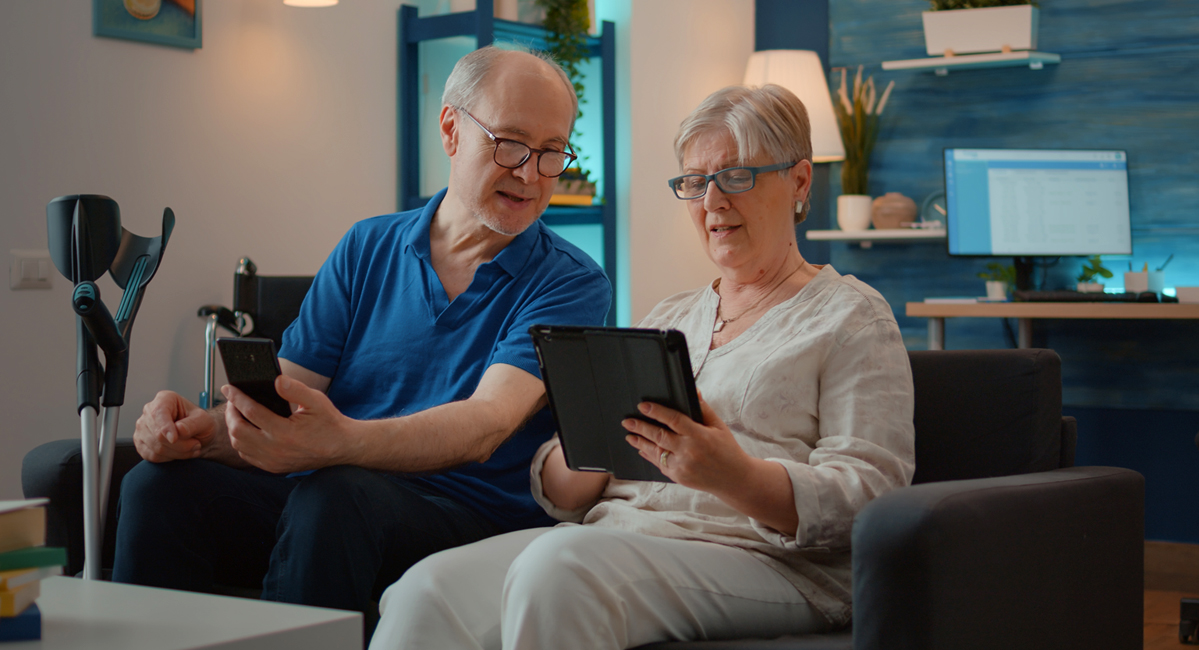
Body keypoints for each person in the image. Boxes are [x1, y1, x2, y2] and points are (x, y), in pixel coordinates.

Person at [368, 83, 917, 650]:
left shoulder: (852, 316)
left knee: (562, 567)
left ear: (799, 181)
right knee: (426, 589)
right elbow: (563, 494)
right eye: (695, 183)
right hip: (619, 537)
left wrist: (736, 475)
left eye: (735, 177)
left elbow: (871, 499)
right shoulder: (670, 315)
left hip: (764, 559)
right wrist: (584, 453)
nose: (712, 203)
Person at [111, 46, 612, 638]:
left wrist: (339, 443)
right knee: (157, 484)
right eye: (510, 144)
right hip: (329, 492)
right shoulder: (366, 247)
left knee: (336, 494)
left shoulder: (572, 281)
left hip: (462, 516)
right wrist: (193, 432)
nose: (530, 174)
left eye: (552, 152)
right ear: (451, 130)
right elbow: (283, 399)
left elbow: (488, 424)